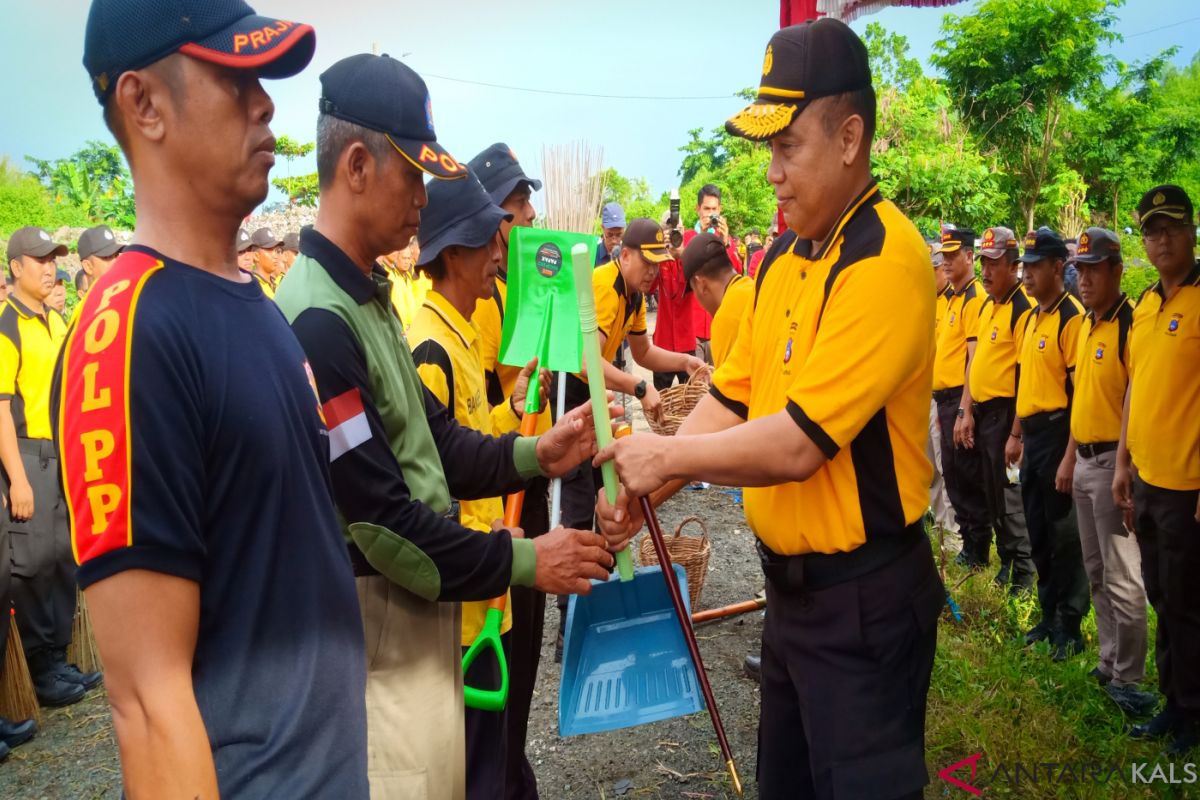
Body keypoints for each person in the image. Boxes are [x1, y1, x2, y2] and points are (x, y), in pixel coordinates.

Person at [598, 20, 944, 800]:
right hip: (791, 602)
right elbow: (730, 396)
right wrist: (644, 492)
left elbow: (797, 446)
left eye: (790, 146)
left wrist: (667, 457)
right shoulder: (785, 259)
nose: (775, 173)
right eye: (769, 151)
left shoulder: (885, 262)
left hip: (865, 603)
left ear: (850, 136)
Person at [272, 53, 617, 800]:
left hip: (420, 608)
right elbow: (380, 523)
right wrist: (529, 562)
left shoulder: (363, 295)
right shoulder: (320, 322)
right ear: (358, 165)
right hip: (378, 619)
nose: (425, 200)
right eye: (412, 174)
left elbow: (432, 441)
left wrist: (537, 452)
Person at [60, 3, 370, 796]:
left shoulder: (252, 304)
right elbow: (146, 703)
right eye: (234, 78)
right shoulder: (126, 337)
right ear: (144, 104)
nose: (264, 101)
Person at [409, 170, 548, 800]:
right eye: (490, 242)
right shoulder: (430, 351)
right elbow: (431, 483)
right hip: (466, 602)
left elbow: (471, 438)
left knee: (500, 747)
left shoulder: (463, 333)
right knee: (476, 762)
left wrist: (517, 414)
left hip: (492, 568)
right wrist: (490, 544)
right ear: (454, 253)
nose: (502, 255)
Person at [556, 218, 704, 656]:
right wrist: (639, 387)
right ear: (624, 255)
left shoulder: (636, 294)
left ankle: (604, 599)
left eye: (660, 263)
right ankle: (571, 622)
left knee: (611, 499)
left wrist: (684, 359)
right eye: (648, 262)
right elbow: (586, 362)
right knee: (580, 507)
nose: (655, 272)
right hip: (574, 400)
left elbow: (641, 352)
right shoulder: (603, 284)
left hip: (601, 401)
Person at [466, 141, 555, 800]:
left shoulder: (519, 290)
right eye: (518, 212)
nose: (527, 224)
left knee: (525, 643)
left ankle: (512, 764)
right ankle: (501, 774)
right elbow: (484, 410)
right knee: (505, 638)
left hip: (530, 476)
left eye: (527, 211)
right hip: (500, 493)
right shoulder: (478, 300)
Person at [1116, 184, 1200, 757]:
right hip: (1147, 479)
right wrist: (1123, 463)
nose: (1161, 238)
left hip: (1188, 487)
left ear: (1192, 230)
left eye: (1170, 226)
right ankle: (1176, 704)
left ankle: (1194, 715)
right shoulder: (1145, 304)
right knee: (1164, 599)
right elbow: (1134, 389)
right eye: (1151, 230)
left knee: (1191, 604)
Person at [2, 227, 94, 708]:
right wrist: (17, 478)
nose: (48, 267)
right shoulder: (8, 325)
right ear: (15, 267)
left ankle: (58, 656)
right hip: (27, 453)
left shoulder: (56, 321)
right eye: (38, 260)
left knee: (62, 555)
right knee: (34, 562)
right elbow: (0, 406)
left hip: (62, 452)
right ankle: (40, 665)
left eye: (52, 258)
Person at [1067, 227, 1154, 715]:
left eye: (1094, 270)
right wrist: (1069, 456)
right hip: (1083, 460)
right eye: (1080, 271)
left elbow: (1134, 402)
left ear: (1117, 272)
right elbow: (1083, 397)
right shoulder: (1086, 324)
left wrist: (1125, 466)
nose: (1085, 279)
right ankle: (1108, 660)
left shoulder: (1128, 324)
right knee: (1096, 571)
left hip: (1111, 465)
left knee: (1123, 575)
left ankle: (1130, 677)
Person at [1011, 226, 1089, 660]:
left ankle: (1070, 624)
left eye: (1035, 266)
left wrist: (1070, 454)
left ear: (1058, 267)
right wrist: (1016, 434)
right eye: (1025, 266)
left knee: (1064, 533)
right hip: (1034, 435)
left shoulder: (1070, 317)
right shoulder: (1030, 318)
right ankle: (1047, 615)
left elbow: (1081, 392)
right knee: (1038, 530)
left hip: (1061, 431)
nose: (1027, 274)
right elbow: (1025, 381)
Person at [967, 227, 1035, 592]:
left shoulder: (1022, 308)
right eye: (984, 263)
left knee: (1010, 497)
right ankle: (1007, 562)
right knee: (993, 494)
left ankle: (1023, 573)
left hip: (1007, 414)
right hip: (985, 415)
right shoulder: (990, 305)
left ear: (1014, 266)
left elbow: (1026, 376)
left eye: (994, 264)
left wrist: (1016, 433)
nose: (987, 272)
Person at [933, 226, 991, 568]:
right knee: (953, 475)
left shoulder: (973, 297)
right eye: (946, 257)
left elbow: (973, 358)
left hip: (959, 398)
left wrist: (964, 410)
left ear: (971, 257)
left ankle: (978, 548)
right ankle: (969, 545)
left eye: (955, 256)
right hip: (944, 398)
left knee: (967, 476)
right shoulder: (953, 297)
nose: (949, 262)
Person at [684, 184, 743, 364]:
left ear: (720, 210)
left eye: (714, 209)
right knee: (697, 381)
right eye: (706, 209)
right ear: (697, 209)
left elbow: (736, 277)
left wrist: (725, 243)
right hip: (692, 326)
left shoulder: (726, 240)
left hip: (719, 325)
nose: (710, 214)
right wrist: (699, 238)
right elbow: (684, 276)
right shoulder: (687, 238)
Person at [929, 243, 960, 550]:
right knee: (931, 467)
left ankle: (953, 534)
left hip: (949, 397)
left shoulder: (956, 301)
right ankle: (940, 527)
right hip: (928, 393)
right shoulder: (931, 302)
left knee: (945, 465)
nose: (933, 272)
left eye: (936, 268)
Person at [683, 232, 752, 369]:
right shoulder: (751, 287)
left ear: (701, 284)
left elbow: (728, 389)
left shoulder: (725, 317)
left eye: (693, 289)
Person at [650, 219, 697, 391]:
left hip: (687, 341)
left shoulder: (690, 256)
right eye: (669, 230)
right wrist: (659, 253)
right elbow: (649, 288)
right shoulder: (660, 257)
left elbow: (698, 280)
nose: (673, 233)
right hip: (663, 342)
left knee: (690, 399)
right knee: (660, 400)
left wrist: (682, 253)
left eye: (677, 229)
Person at [77, 224, 122, 289]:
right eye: (107, 257)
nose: (115, 262)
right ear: (88, 267)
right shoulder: (89, 299)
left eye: (116, 255)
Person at [249, 226, 284, 297]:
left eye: (276, 250)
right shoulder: (252, 287)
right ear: (256, 256)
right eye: (269, 250)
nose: (275, 255)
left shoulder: (276, 283)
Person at [594, 202, 625, 267]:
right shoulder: (592, 256)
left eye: (619, 235)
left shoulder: (627, 257)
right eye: (610, 235)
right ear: (603, 228)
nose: (614, 241)